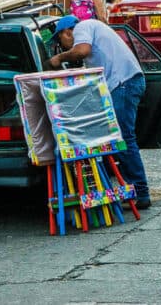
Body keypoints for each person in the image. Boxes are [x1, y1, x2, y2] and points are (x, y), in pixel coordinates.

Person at [48, 16, 152, 210]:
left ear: (67, 32)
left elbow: (82, 50)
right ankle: (133, 189)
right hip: (124, 83)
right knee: (117, 138)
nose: (62, 47)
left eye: (60, 41)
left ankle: (141, 192)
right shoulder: (92, 29)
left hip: (124, 84)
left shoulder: (83, 27)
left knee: (123, 137)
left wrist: (59, 58)